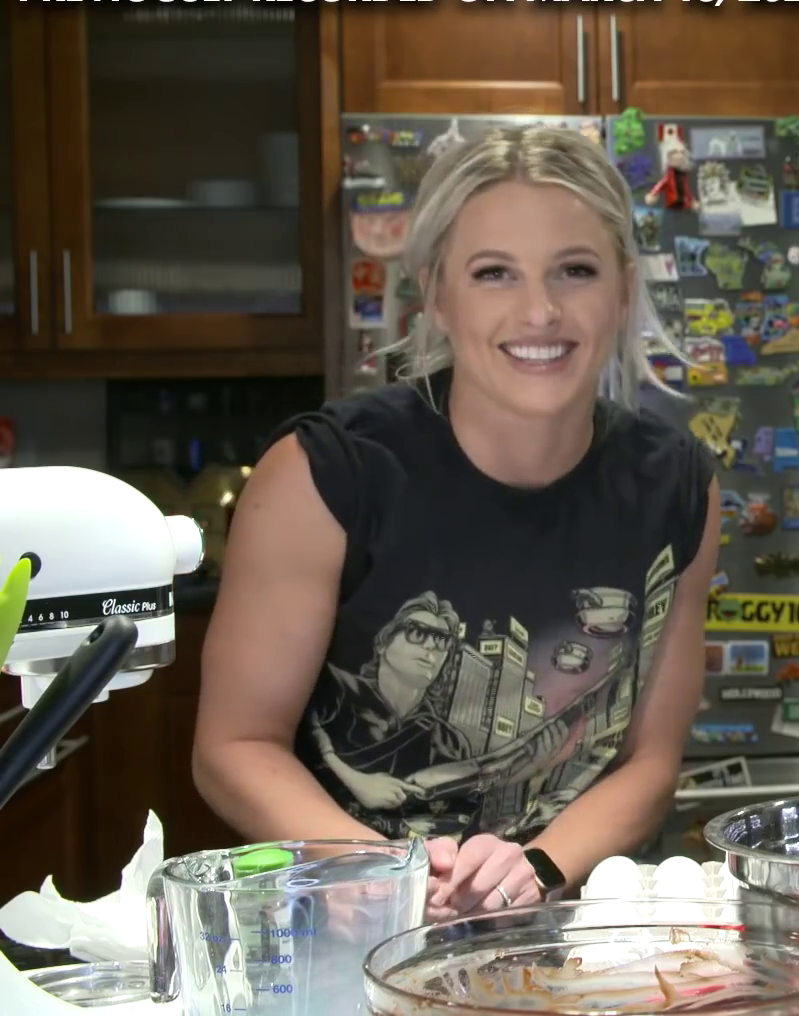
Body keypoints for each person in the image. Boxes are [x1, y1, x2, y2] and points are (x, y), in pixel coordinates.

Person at [194, 125, 721, 921]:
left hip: (573, 934)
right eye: (493, 273)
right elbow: (233, 748)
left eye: (575, 270)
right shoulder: (323, 475)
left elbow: (650, 763)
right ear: (437, 295)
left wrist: (535, 870)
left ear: (621, 291)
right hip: (348, 926)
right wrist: (386, 876)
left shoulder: (676, 488)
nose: (539, 311)